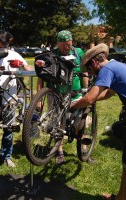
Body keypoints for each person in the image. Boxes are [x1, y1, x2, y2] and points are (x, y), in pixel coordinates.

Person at [71, 43, 126, 200]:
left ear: (94, 63)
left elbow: (91, 97)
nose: (91, 74)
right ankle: (119, 198)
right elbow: (108, 93)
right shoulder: (118, 66)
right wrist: (87, 100)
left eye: (90, 71)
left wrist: (73, 105)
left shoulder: (107, 69)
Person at [0, 30, 32, 167]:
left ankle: (6, 156)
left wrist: (26, 67)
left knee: (8, 130)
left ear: (8, 44)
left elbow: (27, 68)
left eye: (3, 47)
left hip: (10, 100)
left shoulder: (14, 55)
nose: (1, 50)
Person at [36, 30, 88, 165]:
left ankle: (83, 147)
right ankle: (59, 152)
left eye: (69, 44)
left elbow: (84, 71)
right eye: (64, 45)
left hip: (76, 93)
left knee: (81, 121)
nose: (67, 48)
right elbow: (41, 77)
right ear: (58, 44)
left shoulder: (78, 53)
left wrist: (86, 90)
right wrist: (38, 99)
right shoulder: (51, 55)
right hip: (56, 94)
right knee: (56, 124)